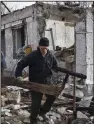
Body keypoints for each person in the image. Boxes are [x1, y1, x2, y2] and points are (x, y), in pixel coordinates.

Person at [15, 37, 58, 123]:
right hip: (35, 83)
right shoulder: (33, 55)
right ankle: (33, 119)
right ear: (39, 47)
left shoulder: (51, 56)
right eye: (42, 48)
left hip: (47, 82)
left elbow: (55, 67)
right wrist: (18, 75)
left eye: (45, 48)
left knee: (52, 97)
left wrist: (53, 74)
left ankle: (43, 112)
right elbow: (20, 64)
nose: (43, 50)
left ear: (48, 47)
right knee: (36, 102)